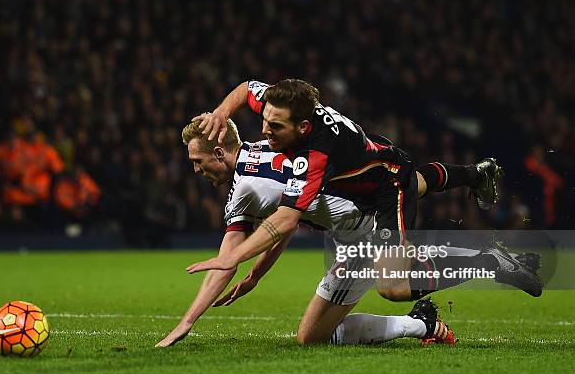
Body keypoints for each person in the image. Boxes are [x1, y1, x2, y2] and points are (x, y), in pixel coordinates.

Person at [187, 79, 543, 301]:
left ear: (303, 126)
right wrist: (220, 113)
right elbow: (248, 88)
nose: (265, 129)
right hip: (371, 169)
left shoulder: (316, 155)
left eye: (274, 125)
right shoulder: (285, 106)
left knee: (393, 287)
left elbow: (285, 221)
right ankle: (473, 174)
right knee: (416, 181)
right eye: (264, 120)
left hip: (385, 186)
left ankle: (488, 262)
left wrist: (232, 259)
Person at [156, 118, 457, 347]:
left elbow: (225, 263)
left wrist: (187, 321)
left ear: (219, 152)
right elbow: (286, 220)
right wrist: (256, 275)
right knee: (313, 334)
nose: (196, 170)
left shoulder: (245, 188)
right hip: (359, 217)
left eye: (198, 161)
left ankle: (445, 299)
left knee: (318, 334)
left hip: (361, 232)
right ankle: (424, 319)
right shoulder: (263, 148)